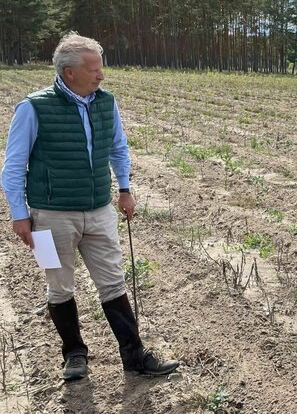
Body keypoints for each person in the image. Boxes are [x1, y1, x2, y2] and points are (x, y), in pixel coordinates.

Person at [1, 32, 179, 381]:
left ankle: (135, 357)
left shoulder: (106, 101)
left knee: (113, 282)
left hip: (99, 211)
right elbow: (12, 166)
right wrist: (19, 215)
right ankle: (74, 355)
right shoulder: (33, 107)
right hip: (47, 217)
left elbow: (118, 148)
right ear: (70, 72)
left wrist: (125, 188)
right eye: (94, 69)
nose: (101, 75)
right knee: (58, 285)